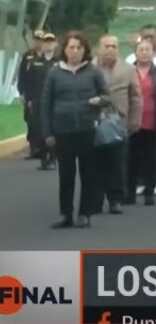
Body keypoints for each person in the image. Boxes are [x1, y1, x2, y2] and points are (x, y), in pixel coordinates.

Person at [39, 32, 111, 229]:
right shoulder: (55, 73)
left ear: (84, 50)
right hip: (63, 131)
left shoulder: (93, 72)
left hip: (87, 129)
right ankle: (65, 214)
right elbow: (46, 104)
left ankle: (85, 213)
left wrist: (100, 101)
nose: (75, 51)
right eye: (71, 47)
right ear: (64, 50)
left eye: (79, 48)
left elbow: (107, 97)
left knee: (88, 174)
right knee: (66, 175)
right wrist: (47, 133)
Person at [94, 35, 142, 215]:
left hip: (119, 123)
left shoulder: (128, 69)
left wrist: (134, 121)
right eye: (106, 46)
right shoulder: (90, 67)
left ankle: (115, 200)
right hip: (95, 122)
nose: (110, 50)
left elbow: (136, 97)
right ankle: (95, 199)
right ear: (99, 48)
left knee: (117, 164)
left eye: (114, 46)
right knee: (94, 164)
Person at [124, 39, 156, 207]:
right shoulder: (127, 72)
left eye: (148, 49)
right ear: (135, 52)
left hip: (154, 122)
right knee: (131, 158)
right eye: (141, 49)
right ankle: (129, 192)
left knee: (152, 159)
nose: (144, 52)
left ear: (153, 52)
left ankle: (149, 191)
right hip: (132, 122)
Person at [21, 32, 58, 168]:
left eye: (51, 41)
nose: (48, 44)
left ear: (55, 44)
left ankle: (53, 158)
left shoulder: (58, 62)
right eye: (46, 41)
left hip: (54, 100)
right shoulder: (35, 61)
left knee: (52, 130)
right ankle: (44, 159)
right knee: (39, 129)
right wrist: (28, 98)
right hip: (38, 100)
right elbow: (29, 81)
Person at [18, 30, 44, 160]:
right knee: (30, 120)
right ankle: (33, 148)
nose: (38, 42)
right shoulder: (28, 56)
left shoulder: (48, 56)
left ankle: (44, 149)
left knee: (43, 121)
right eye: (36, 39)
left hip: (44, 95)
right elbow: (21, 75)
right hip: (30, 94)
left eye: (40, 39)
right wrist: (21, 92)